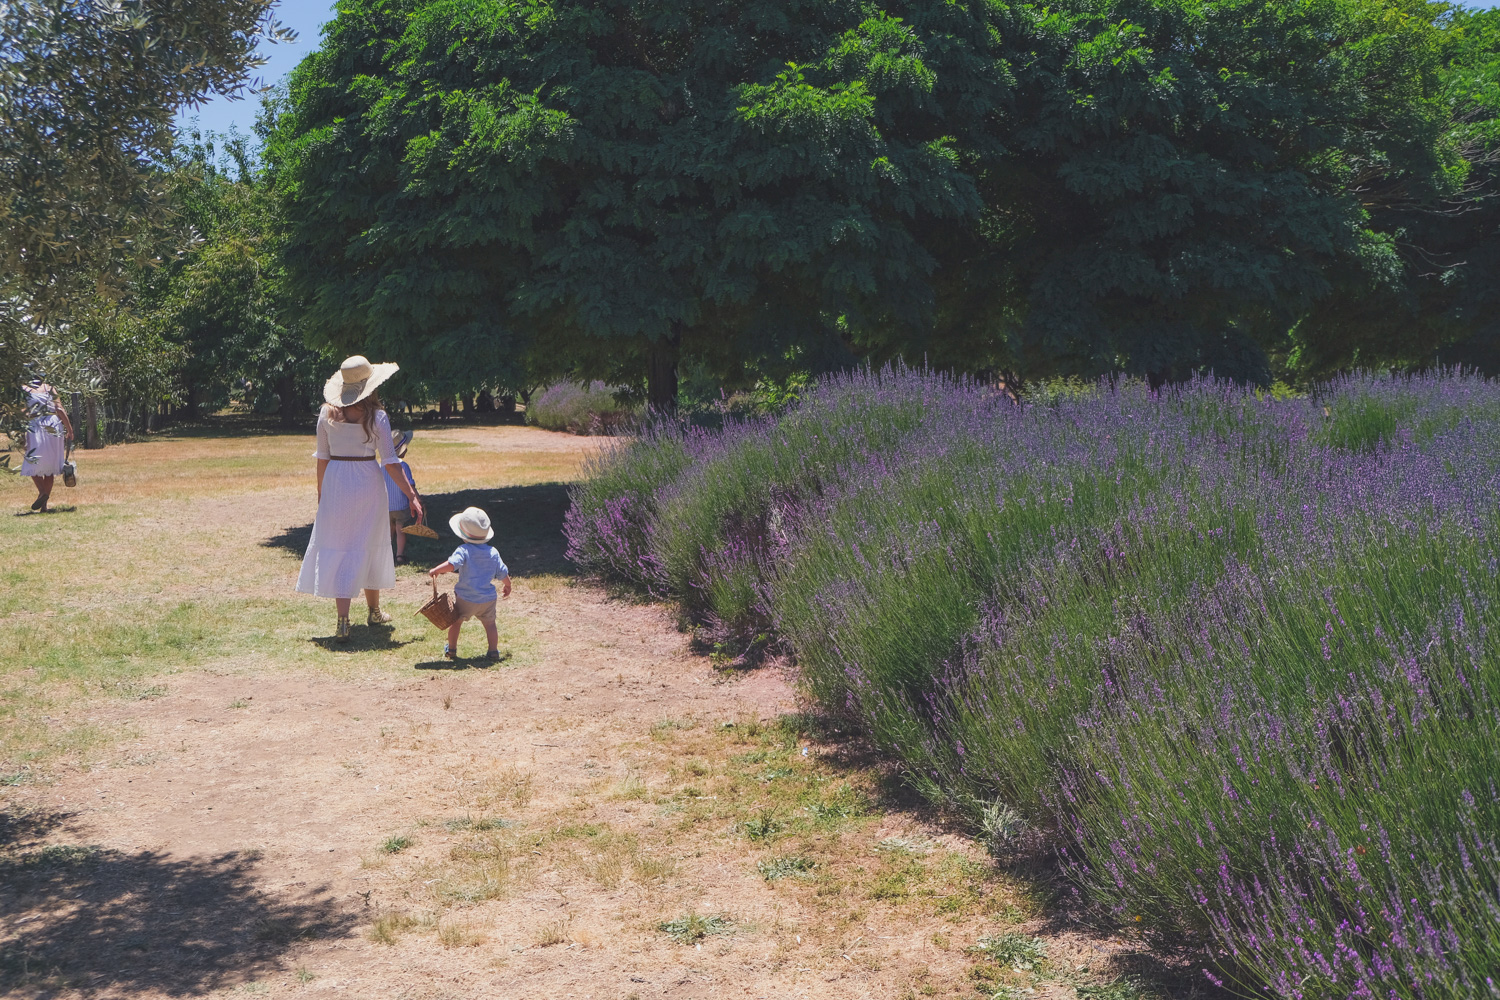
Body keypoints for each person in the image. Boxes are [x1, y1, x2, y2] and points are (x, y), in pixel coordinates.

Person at [296, 356, 424, 641]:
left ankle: (344, 621)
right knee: (369, 541)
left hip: (337, 480)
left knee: (342, 544)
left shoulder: (326, 414)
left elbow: (322, 459)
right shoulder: (377, 416)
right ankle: (373, 610)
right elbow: (390, 462)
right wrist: (411, 495)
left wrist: (322, 493)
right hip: (367, 480)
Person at [428, 506, 511, 662]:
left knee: (456, 622)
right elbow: (503, 572)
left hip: (466, 598)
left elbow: (452, 565)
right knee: (490, 624)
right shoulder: (493, 552)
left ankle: (451, 649)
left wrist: (436, 570)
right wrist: (508, 585)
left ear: (463, 534)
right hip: (488, 599)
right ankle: (493, 651)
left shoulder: (464, 550)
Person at [18, 380, 73, 512]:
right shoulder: (49, 388)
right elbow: (59, 409)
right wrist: (70, 430)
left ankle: (42, 492)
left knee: (31, 461)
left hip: (35, 425)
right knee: (50, 466)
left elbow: (22, 412)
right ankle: (44, 505)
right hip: (53, 425)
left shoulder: (24, 389)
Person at [385, 430, 418, 565]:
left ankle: (385, 555)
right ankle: (399, 555)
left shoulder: (382, 466)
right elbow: (410, 486)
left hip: (386, 506)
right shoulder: (403, 466)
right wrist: (417, 500)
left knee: (388, 531)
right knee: (400, 530)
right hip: (400, 505)